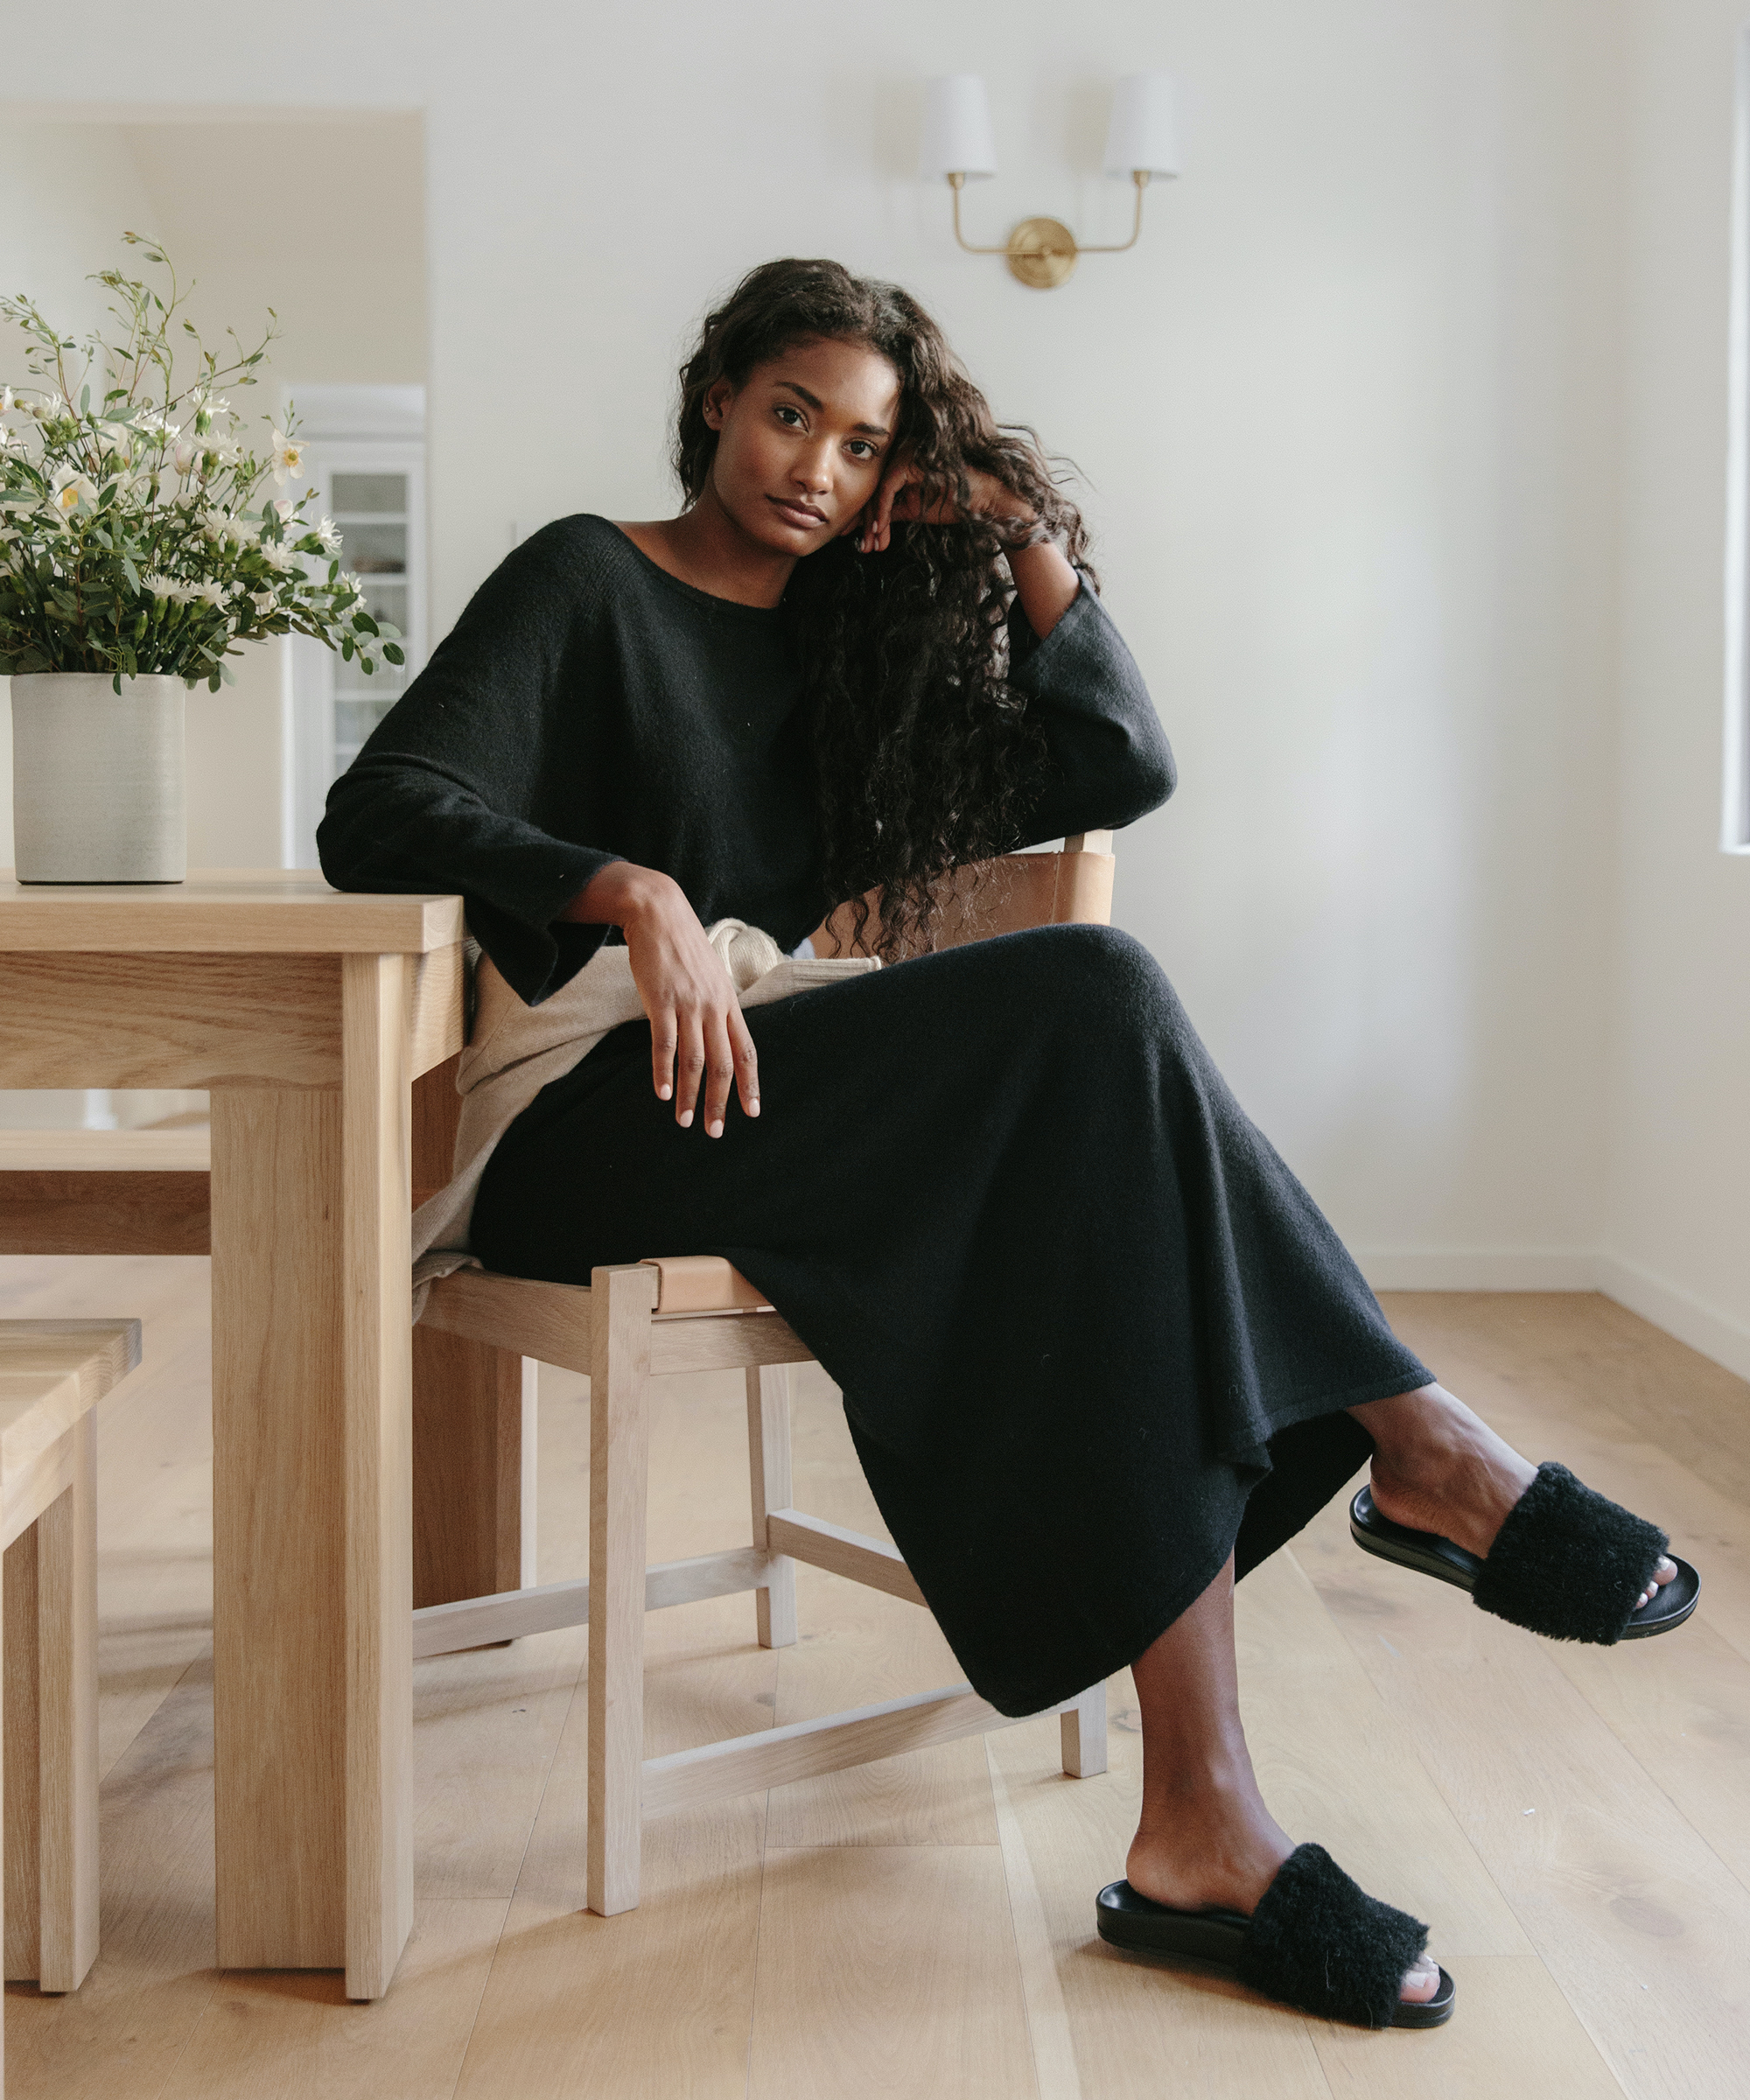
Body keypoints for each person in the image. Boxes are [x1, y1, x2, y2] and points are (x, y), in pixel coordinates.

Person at [318, 257, 1695, 2033]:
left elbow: (1117, 760)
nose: (812, 465)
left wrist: (1016, 526)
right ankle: (1412, 1441)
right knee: (1098, 1003)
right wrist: (628, 888)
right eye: (789, 411)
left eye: (863, 444)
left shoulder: (841, 660)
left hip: (772, 1093)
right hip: (589, 1120)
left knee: (1104, 1186)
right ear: (717, 398)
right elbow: (378, 810)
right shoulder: (586, 578)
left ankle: (1207, 1820)